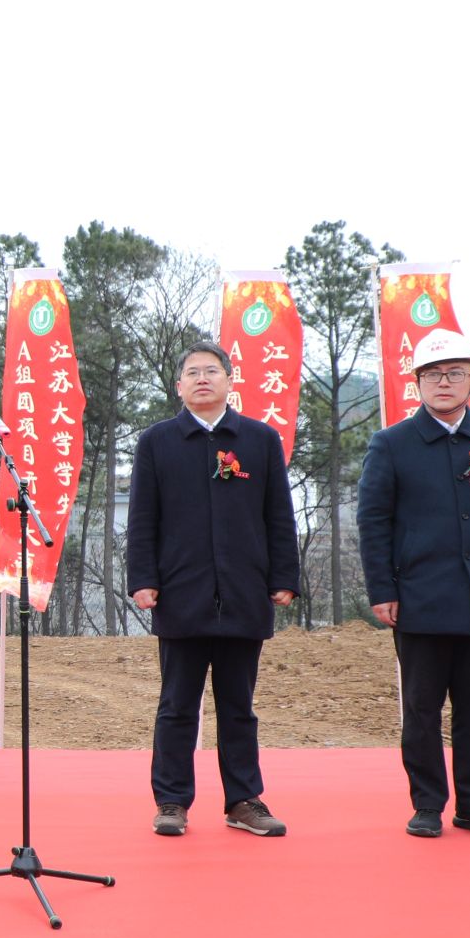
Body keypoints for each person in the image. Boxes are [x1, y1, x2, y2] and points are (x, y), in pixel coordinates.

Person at [357, 328, 470, 839]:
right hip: (419, 596)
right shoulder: (391, 444)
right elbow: (373, 521)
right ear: (416, 383)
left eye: (455, 373)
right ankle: (428, 804)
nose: (443, 382)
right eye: (433, 374)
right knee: (421, 707)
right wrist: (382, 590)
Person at [126, 340, 300, 838]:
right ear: (179, 386)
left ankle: (243, 800)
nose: (202, 379)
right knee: (177, 706)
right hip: (181, 593)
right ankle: (172, 801)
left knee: (239, 707)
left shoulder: (259, 440)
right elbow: (142, 518)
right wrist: (143, 579)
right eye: (192, 372)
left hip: (244, 593)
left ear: (229, 381)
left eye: (212, 371)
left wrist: (284, 577)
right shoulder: (157, 442)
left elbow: (278, 515)